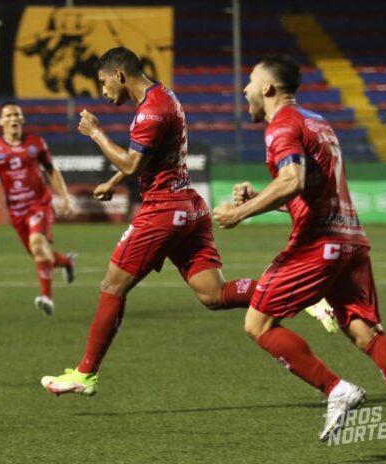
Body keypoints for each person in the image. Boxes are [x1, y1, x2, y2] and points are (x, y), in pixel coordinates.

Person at [40, 47, 336, 398]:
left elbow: (134, 163)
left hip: (164, 210)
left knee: (112, 286)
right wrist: (115, 181)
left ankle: (86, 373)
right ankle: (300, 297)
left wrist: (96, 133)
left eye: (104, 82)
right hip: (188, 206)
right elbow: (150, 158)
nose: (103, 91)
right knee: (214, 295)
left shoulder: (151, 110)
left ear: (119, 75)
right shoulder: (162, 98)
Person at [212, 55, 386, 463]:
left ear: (268, 88)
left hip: (318, 244)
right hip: (350, 239)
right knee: (364, 332)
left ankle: (337, 390)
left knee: (257, 323)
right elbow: (310, 191)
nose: (244, 89)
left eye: (250, 81)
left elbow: (292, 180)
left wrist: (240, 213)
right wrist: (262, 199)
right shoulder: (317, 122)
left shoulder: (281, 125)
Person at [0, 102, 76, 316]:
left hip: (39, 204)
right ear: (0, 121)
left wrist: (65, 197)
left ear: (22, 119)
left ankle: (47, 298)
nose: (13, 119)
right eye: (8, 115)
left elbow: (51, 170)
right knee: (40, 253)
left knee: (37, 244)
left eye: (16, 115)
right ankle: (67, 262)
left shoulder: (36, 143)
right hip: (16, 210)